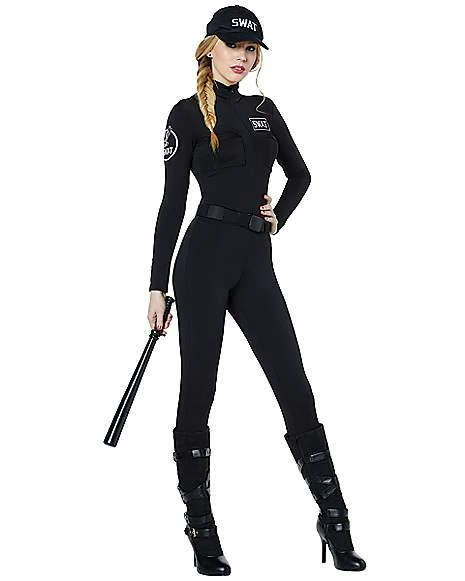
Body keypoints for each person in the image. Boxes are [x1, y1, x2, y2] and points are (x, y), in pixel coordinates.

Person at [147, 5, 366, 575]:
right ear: (210, 47)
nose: (244, 57)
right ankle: (201, 526)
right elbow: (172, 204)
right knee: (199, 389)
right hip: (201, 263)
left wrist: (277, 217)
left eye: (252, 49)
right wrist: (155, 286)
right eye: (234, 46)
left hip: (255, 262)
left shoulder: (265, 111)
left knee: (295, 385)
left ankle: (334, 518)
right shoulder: (186, 113)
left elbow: (301, 175)